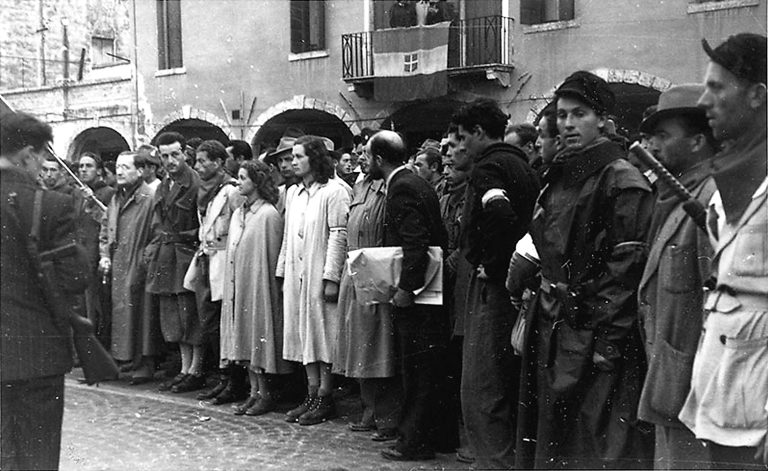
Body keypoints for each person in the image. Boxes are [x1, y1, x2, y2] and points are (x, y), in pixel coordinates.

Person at [517, 70, 655, 469]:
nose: (568, 124)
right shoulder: (560, 176)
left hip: (595, 339)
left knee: (594, 446)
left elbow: (625, 273)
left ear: (604, 121)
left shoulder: (621, 179)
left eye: (579, 114)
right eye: (562, 116)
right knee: (551, 440)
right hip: (554, 329)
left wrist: (606, 344)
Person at [679, 33, 768, 470]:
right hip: (724, 388)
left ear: (756, 95)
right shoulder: (730, 178)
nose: (704, 101)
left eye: (717, 87)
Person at [451, 99, 539, 469]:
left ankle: (491, 464)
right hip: (518, 286)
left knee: (483, 385)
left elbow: (500, 215)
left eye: (461, 137)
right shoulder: (521, 163)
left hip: (494, 289)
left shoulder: (488, 167)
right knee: (504, 382)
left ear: (478, 133)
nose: (459, 145)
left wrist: (492, 262)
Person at [636, 84, 718, 470]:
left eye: (664, 136)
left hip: (697, 388)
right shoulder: (680, 197)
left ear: (699, 141)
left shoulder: (712, 200)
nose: (654, 146)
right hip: (673, 381)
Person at [1, 112, 89, 470]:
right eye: (41, 157)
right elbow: (74, 278)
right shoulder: (51, 204)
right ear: (27, 154)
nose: (43, 166)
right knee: (37, 456)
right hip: (38, 353)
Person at [366, 130, 450, 461]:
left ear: (379, 159)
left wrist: (406, 288)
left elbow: (415, 243)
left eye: (367, 156)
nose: (364, 161)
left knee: (416, 370)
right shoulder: (416, 182)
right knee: (429, 367)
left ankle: (414, 441)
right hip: (431, 291)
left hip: (418, 297)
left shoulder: (401, 188)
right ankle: (438, 437)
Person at [277, 135, 350, 426]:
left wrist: (331, 277)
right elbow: (287, 236)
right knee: (302, 333)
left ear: (315, 158)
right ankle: (310, 394)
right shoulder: (294, 193)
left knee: (322, 334)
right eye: (292, 157)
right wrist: (282, 271)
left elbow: (339, 233)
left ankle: (325, 396)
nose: (293, 162)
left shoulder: (335, 191)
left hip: (319, 271)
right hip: (297, 274)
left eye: (298, 156)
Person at [333, 139, 402, 442]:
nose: (361, 159)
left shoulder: (389, 188)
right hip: (355, 270)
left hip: (378, 271)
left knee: (381, 347)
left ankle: (387, 416)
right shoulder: (359, 188)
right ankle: (369, 408)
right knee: (359, 344)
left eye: (365, 154)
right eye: (359, 154)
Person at [221, 160, 293, 416]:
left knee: (259, 335)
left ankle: (266, 393)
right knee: (243, 336)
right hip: (239, 284)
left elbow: (270, 257)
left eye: (243, 178)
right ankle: (253, 391)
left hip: (259, 286)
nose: (238, 182)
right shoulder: (240, 212)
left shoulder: (268, 214)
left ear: (256, 181)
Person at [182, 140, 243, 396]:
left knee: (223, 322)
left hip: (225, 263)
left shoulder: (231, 191)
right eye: (196, 161)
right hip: (207, 261)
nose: (197, 166)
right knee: (208, 322)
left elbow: (239, 226)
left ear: (218, 163)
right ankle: (222, 377)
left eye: (202, 161)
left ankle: (233, 380)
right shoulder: (204, 191)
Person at [144, 131, 204, 391]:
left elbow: (201, 223)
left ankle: (196, 369)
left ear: (185, 154)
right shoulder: (164, 184)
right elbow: (158, 222)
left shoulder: (195, 182)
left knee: (189, 313)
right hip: (167, 256)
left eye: (175, 155)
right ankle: (184, 367)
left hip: (186, 254)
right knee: (173, 314)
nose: (170, 161)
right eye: (165, 156)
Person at [99, 151, 158, 382]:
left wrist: (145, 258)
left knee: (142, 315)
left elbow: (158, 232)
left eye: (126, 167)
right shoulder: (116, 198)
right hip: (119, 263)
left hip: (139, 262)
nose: (119, 171)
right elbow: (105, 230)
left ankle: (145, 363)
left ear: (140, 171)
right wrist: (104, 255)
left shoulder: (149, 198)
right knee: (123, 312)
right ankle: (128, 359)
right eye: (117, 167)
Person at [439, 124, 474, 464]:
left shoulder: (468, 199)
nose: (447, 170)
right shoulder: (447, 199)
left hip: (460, 284)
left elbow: (463, 244)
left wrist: (447, 262)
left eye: (453, 167)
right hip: (447, 287)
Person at [74, 152, 115, 344]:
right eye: (81, 166)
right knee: (82, 305)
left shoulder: (107, 193)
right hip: (79, 255)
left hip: (97, 256)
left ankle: (100, 347)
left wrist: (92, 203)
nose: (83, 170)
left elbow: (109, 224)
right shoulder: (78, 193)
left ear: (99, 171)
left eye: (88, 166)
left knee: (97, 306)